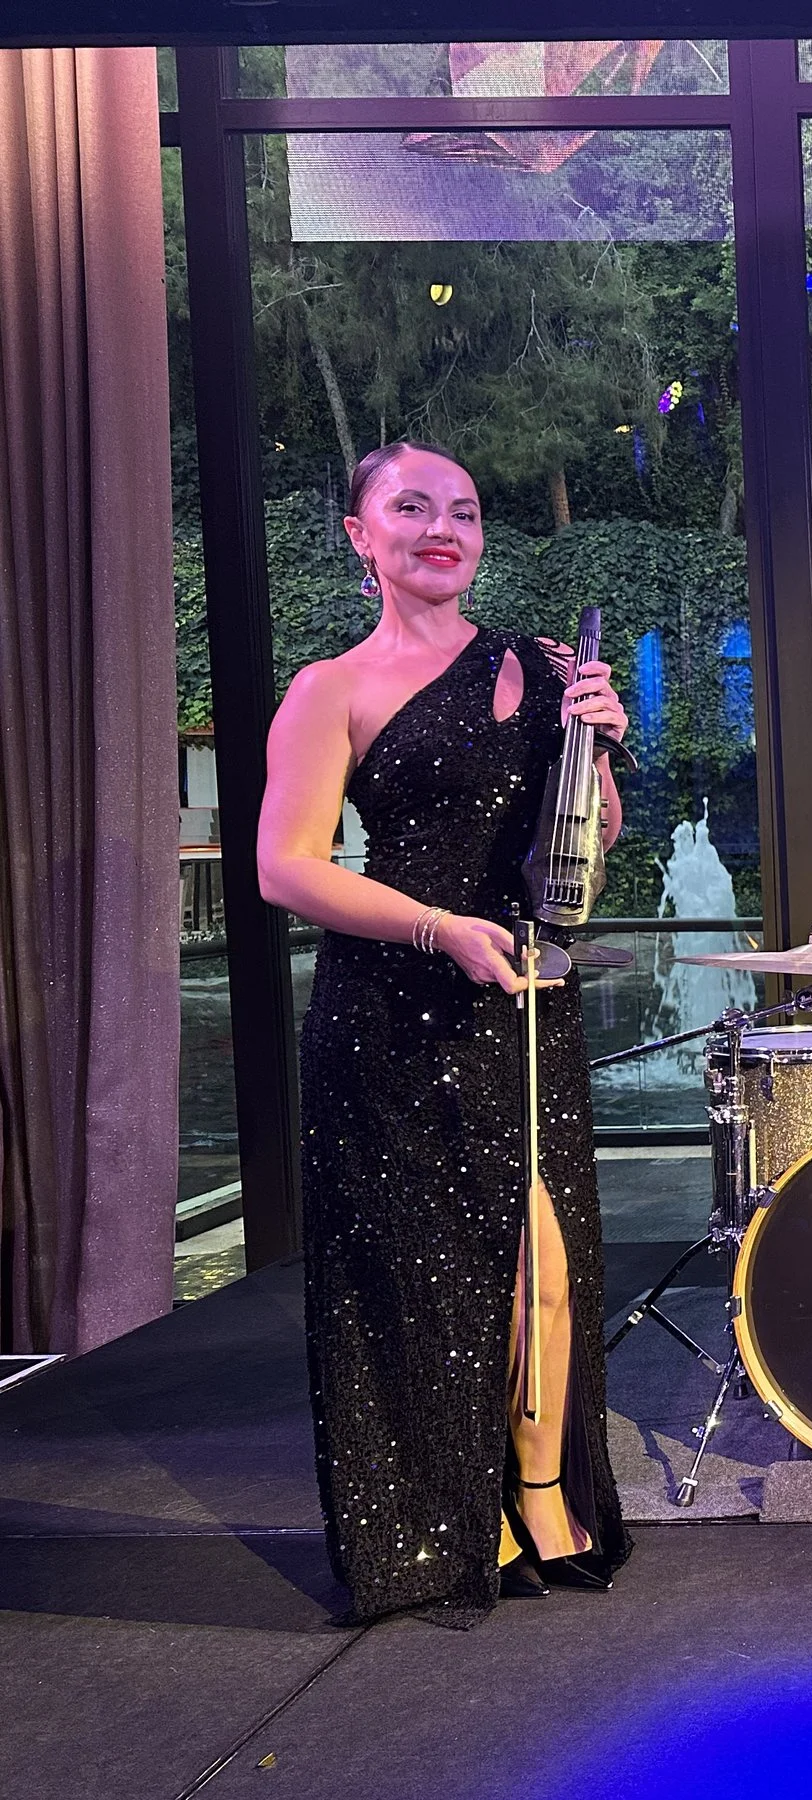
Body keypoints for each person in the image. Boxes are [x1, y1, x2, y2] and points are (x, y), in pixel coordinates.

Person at [259, 439, 633, 1623]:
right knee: (419, 1280)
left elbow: (592, 843)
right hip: (394, 1010)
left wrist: (600, 741)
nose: (442, 527)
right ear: (361, 535)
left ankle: (543, 1494)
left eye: (463, 510)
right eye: (411, 506)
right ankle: (439, 1525)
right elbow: (283, 867)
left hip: (524, 990)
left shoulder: (541, 661)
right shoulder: (332, 687)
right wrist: (437, 929)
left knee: (546, 1263)